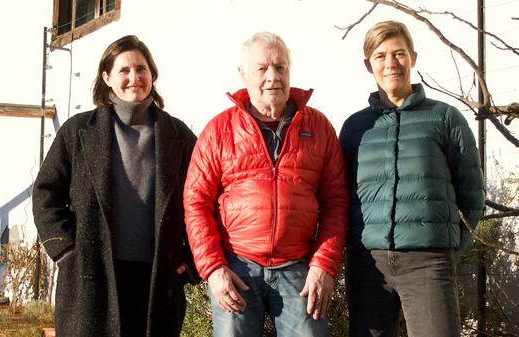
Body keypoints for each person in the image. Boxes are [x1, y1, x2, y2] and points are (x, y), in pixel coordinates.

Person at [183, 31, 349, 337]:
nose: (273, 76)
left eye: (281, 67)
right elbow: (196, 203)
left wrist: (324, 264)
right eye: (262, 68)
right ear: (243, 74)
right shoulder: (219, 130)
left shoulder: (318, 127)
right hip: (236, 268)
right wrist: (214, 269)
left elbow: (336, 201)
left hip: (299, 269)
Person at [32, 35, 198, 337]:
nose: (134, 77)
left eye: (141, 68)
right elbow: (46, 192)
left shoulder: (179, 135)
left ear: (152, 74)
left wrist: (191, 260)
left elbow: (205, 198)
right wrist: (66, 250)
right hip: (91, 274)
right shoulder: (78, 131)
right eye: (124, 70)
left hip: (157, 278)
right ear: (107, 77)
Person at [339, 21, 485, 337]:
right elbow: (341, 195)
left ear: (413, 58)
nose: (391, 63)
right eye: (380, 56)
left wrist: (448, 244)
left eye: (399, 53)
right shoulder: (354, 128)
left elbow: (472, 192)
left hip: (428, 262)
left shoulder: (446, 118)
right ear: (369, 65)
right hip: (369, 265)